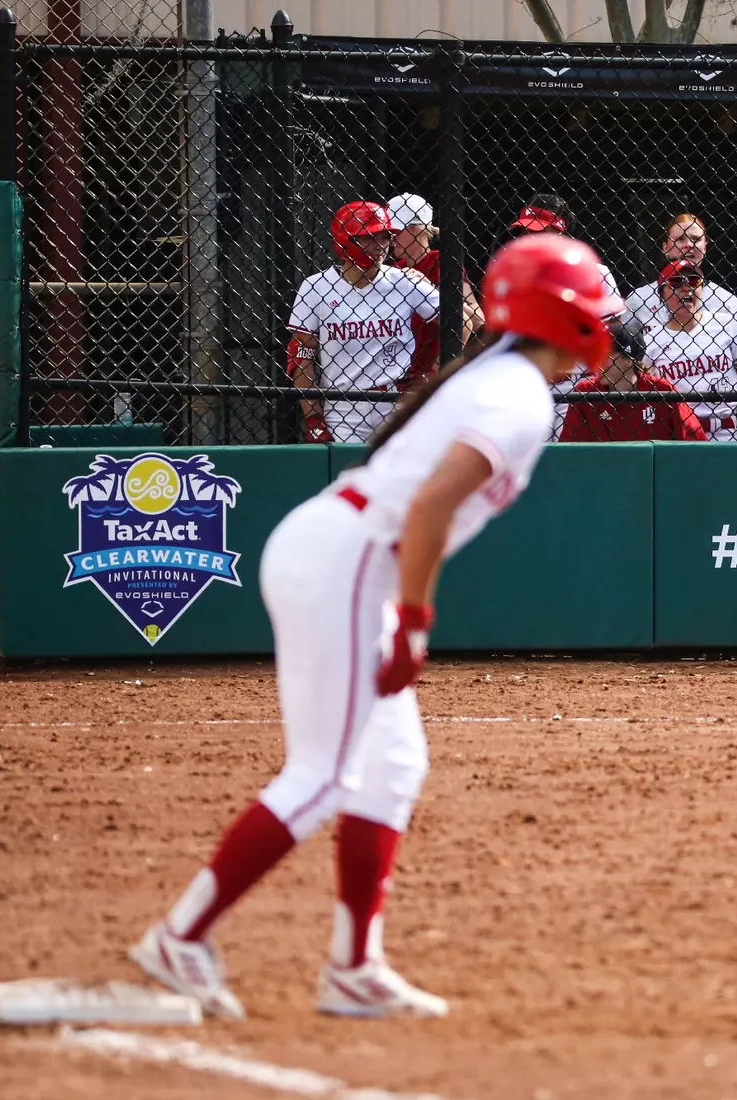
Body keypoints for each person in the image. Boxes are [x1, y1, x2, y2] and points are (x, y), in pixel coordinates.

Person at [130, 233, 624, 1020]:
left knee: (391, 768)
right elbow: (428, 506)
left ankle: (354, 968)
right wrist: (415, 625)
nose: (604, 322)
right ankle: (181, 936)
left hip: (344, 554)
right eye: (592, 309)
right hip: (351, 561)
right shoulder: (519, 393)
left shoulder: (499, 374)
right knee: (325, 773)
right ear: (559, 317)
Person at [287, 201, 440, 443]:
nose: (380, 245)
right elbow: (301, 355)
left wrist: (433, 374)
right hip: (342, 406)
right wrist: (314, 418)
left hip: (396, 400)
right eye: (369, 238)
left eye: (385, 237)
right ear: (345, 240)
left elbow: (464, 319)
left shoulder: (405, 281)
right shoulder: (316, 287)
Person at [505, 192, 624, 439]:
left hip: (579, 389)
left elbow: (613, 332)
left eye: (538, 231)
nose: (530, 238)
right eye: (525, 231)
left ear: (559, 230)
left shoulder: (594, 273)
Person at [641, 259, 737, 440]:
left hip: (724, 431)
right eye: (676, 282)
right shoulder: (651, 341)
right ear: (662, 294)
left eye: (693, 281)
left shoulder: (727, 324)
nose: (685, 287)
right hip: (677, 433)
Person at [386, 193, 485, 386]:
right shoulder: (394, 270)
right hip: (396, 375)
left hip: (431, 376)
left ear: (416, 229)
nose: (390, 238)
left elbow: (478, 319)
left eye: (396, 231)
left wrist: (434, 292)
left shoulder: (443, 262)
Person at [559, 321, 708, 442]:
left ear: (628, 360)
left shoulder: (661, 390)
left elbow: (695, 441)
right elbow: (569, 452)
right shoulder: (585, 393)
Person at [621, 213, 737, 334]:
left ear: (705, 247)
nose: (689, 245)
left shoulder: (727, 302)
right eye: (680, 239)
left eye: (696, 239)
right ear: (665, 248)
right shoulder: (640, 298)